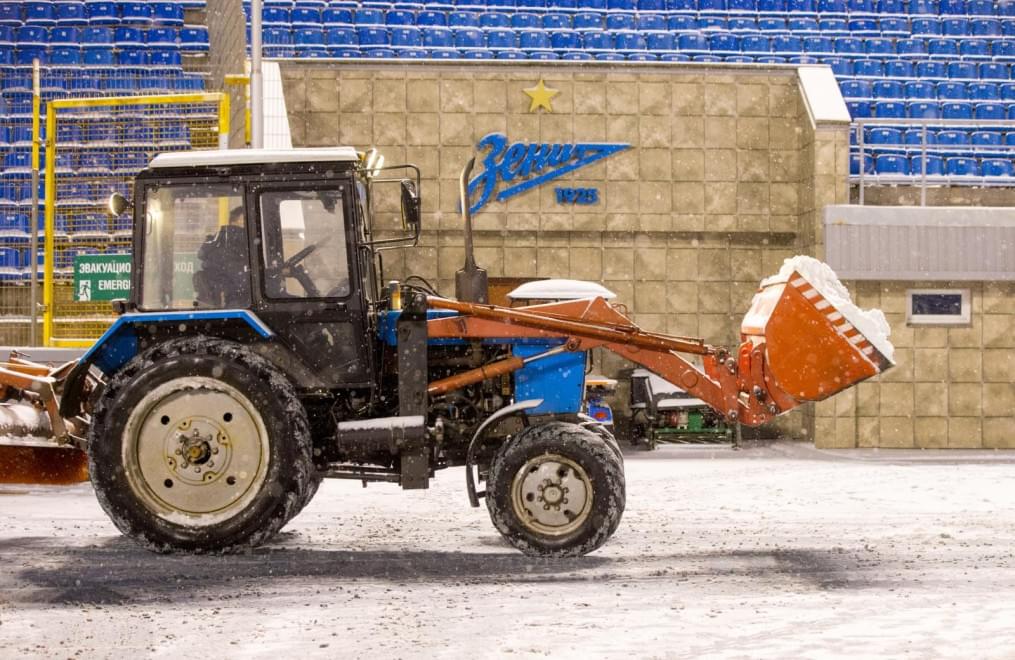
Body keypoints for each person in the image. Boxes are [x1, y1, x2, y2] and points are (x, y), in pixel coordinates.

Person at [193, 204, 251, 307]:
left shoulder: (216, 241)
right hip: (236, 301)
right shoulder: (243, 240)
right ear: (236, 221)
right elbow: (240, 279)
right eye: (245, 220)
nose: (249, 224)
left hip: (217, 300)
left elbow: (202, 255)